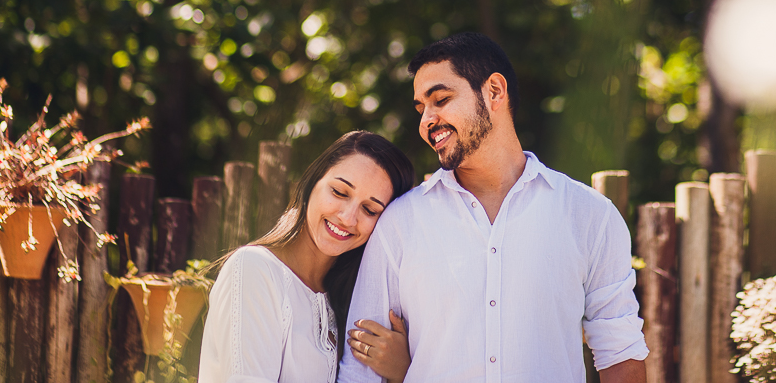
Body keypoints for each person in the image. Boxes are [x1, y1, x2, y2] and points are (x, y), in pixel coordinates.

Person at [339, 33, 648, 383]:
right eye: (421, 108)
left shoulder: (590, 215)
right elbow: (359, 370)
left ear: (495, 92)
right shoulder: (400, 223)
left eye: (440, 100)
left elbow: (620, 353)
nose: (426, 121)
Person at [200, 131, 417, 383]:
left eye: (369, 209)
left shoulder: (349, 301)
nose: (348, 218)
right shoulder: (254, 270)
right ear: (314, 181)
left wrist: (403, 373)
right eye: (339, 192)